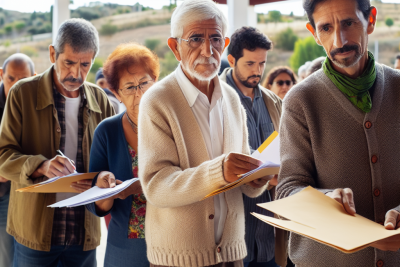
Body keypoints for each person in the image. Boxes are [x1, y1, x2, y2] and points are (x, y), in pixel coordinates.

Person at [138, 1, 271, 266]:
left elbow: (240, 173)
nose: (207, 50)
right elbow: (155, 185)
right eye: (196, 39)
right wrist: (218, 172)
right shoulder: (157, 100)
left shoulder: (232, 98)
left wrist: (255, 180)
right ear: (175, 47)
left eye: (215, 39)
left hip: (232, 253)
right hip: (177, 259)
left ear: (226, 43)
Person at [276, 0, 400, 266]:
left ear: (371, 20)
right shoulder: (300, 100)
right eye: (326, 28)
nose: (339, 40)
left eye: (348, 23)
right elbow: (287, 189)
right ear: (313, 33)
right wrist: (323, 201)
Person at [0, 18, 114, 267]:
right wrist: (41, 166)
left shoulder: (101, 101)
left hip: (83, 233)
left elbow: (109, 160)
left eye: (85, 64)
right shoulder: (22, 93)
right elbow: (3, 156)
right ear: (53, 54)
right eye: (69, 63)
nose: (76, 73)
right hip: (34, 234)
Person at [86, 43, 160, 267]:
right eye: (129, 87)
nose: (139, 93)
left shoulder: (174, 125)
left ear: (155, 82)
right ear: (117, 93)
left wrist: (141, 186)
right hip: (126, 249)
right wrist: (104, 188)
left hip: (174, 242)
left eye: (144, 83)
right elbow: (96, 204)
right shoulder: (107, 131)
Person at [219, 26, 285, 267]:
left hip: (269, 233)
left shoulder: (274, 102)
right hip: (231, 235)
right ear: (231, 60)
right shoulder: (213, 103)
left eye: (262, 64)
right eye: (250, 64)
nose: (257, 71)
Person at [0, 53, 35, 267]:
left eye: (22, 79)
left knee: (17, 254)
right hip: (4, 186)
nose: (15, 85)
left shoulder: (37, 104)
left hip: (21, 189)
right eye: (11, 78)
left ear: (34, 77)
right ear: (1, 74)